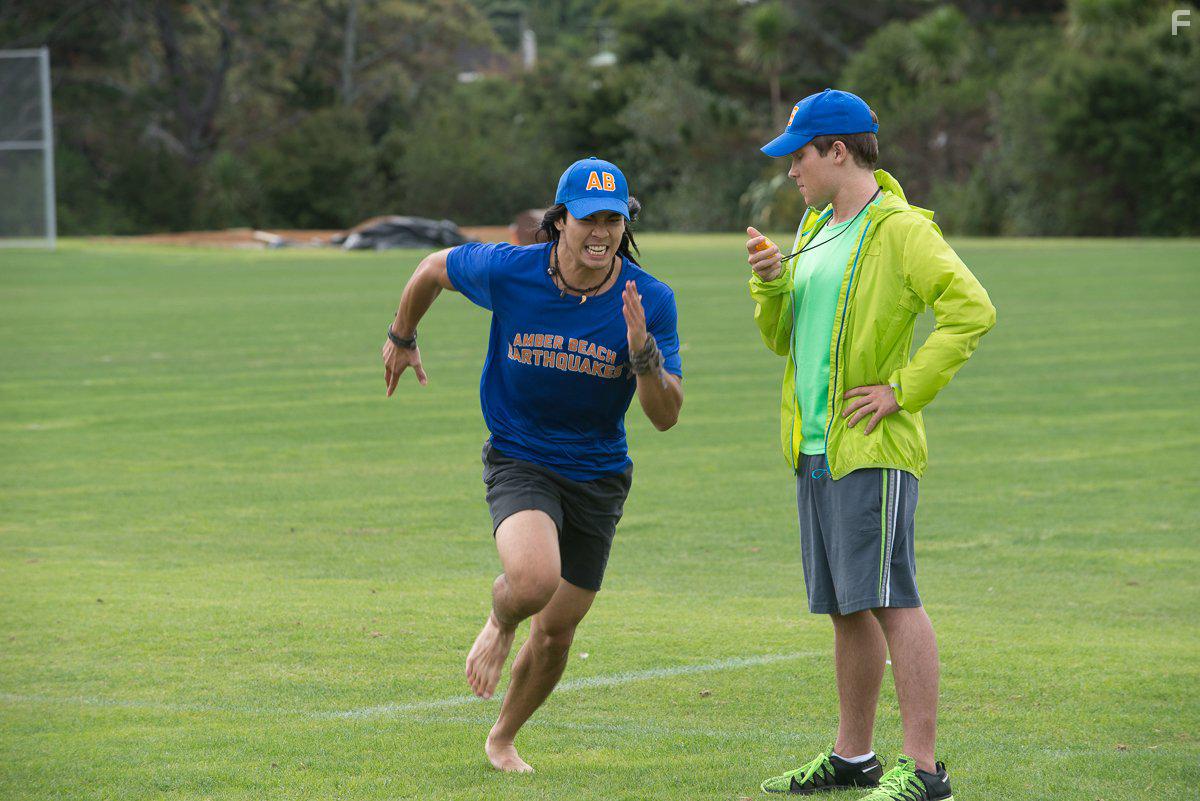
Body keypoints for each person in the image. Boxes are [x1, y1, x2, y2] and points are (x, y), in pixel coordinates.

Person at [380, 157, 683, 773]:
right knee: (533, 581)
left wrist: (644, 356)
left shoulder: (648, 299)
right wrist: (403, 336)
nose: (601, 234)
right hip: (521, 456)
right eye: (588, 220)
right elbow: (430, 268)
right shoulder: (513, 270)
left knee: (557, 632)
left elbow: (664, 415)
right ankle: (499, 617)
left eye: (614, 221)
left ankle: (503, 736)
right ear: (560, 220)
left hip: (598, 472)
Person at [744, 89, 995, 800]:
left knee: (891, 596)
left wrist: (902, 388)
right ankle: (852, 757)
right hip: (816, 445)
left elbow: (971, 309)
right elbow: (781, 337)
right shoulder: (815, 227)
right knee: (846, 606)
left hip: (872, 447)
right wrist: (770, 285)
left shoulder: (901, 228)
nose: (791, 170)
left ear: (838, 151)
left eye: (799, 155)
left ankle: (921, 769)